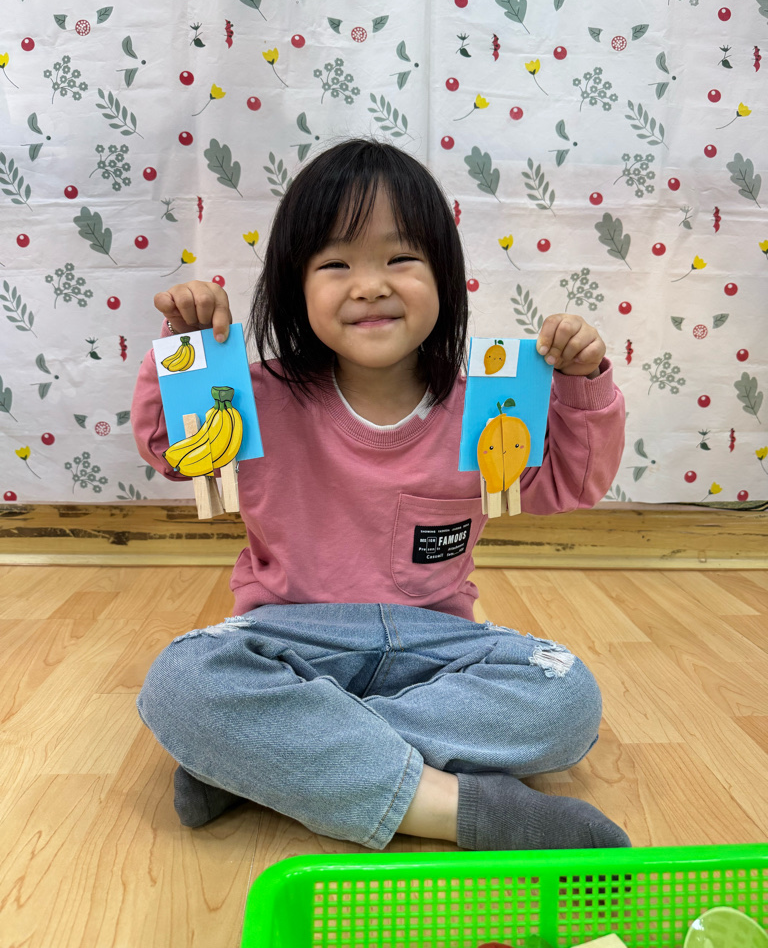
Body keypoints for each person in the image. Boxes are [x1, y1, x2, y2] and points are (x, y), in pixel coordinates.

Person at [132, 137, 630, 852]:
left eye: (400, 259)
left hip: (440, 646)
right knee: (182, 679)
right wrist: (184, 351)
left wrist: (583, 383)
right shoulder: (251, 395)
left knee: (566, 694)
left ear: (445, 278)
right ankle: (456, 809)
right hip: (290, 640)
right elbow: (169, 452)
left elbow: (567, 485)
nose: (369, 285)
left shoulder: (488, 407)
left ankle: (269, 759)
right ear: (295, 287)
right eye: (336, 264)